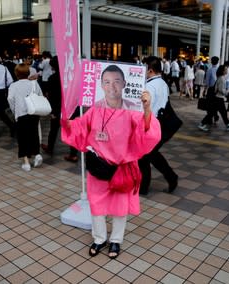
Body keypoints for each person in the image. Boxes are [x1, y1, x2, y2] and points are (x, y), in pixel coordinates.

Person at [61, 65, 161, 260]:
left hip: (122, 168)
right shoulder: (95, 109)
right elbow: (79, 127)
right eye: (107, 82)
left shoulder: (133, 109)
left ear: (124, 83)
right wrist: (65, 117)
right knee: (96, 206)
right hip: (99, 167)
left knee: (120, 208)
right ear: (101, 85)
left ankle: (116, 240)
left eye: (116, 81)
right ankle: (99, 239)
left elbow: (147, 131)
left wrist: (147, 108)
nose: (112, 86)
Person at [139, 56, 179, 195]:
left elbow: (146, 108)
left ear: (150, 70)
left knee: (144, 157)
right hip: (161, 125)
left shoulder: (149, 86)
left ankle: (144, 187)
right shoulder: (162, 82)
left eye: (144, 68)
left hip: (151, 125)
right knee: (151, 155)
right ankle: (171, 177)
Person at [7, 63, 44, 171]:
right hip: (34, 113)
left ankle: (26, 163)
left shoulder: (13, 86)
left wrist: (15, 111)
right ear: (28, 73)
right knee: (34, 135)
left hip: (21, 114)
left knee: (22, 138)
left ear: (16, 74)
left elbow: (10, 99)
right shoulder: (34, 84)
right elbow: (41, 96)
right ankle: (37, 155)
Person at [198, 65, 229, 132]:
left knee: (216, 113)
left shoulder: (220, 77)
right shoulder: (222, 79)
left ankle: (228, 124)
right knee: (219, 113)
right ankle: (228, 125)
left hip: (217, 98)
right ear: (223, 71)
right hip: (219, 98)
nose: (227, 70)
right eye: (225, 69)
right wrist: (227, 92)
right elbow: (221, 90)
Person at [40, 56, 62, 156]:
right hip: (69, 108)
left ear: (53, 66)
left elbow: (51, 97)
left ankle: (50, 148)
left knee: (53, 129)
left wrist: (53, 111)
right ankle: (73, 153)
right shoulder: (69, 77)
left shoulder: (52, 78)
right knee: (71, 130)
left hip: (57, 108)